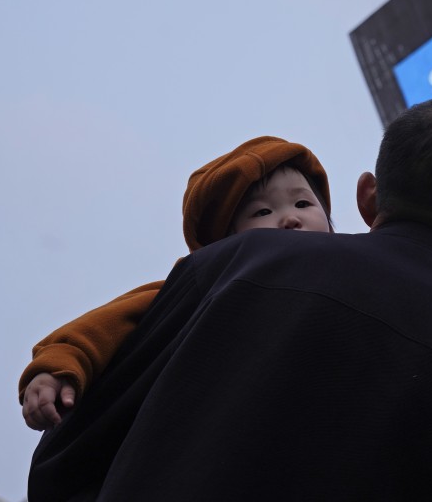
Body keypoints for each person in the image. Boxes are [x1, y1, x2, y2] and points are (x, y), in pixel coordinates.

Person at [28, 98, 432, 502]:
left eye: (301, 203)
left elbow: (68, 455)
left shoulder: (236, 264)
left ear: (367, 197)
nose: (285, 220)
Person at [19, 135, 333, 430]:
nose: (290, 218)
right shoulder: (202, 290)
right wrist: (58, 367)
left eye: (303, 204)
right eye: (263, 211)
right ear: (225, 243)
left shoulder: (349, 277)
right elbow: (106, 325)